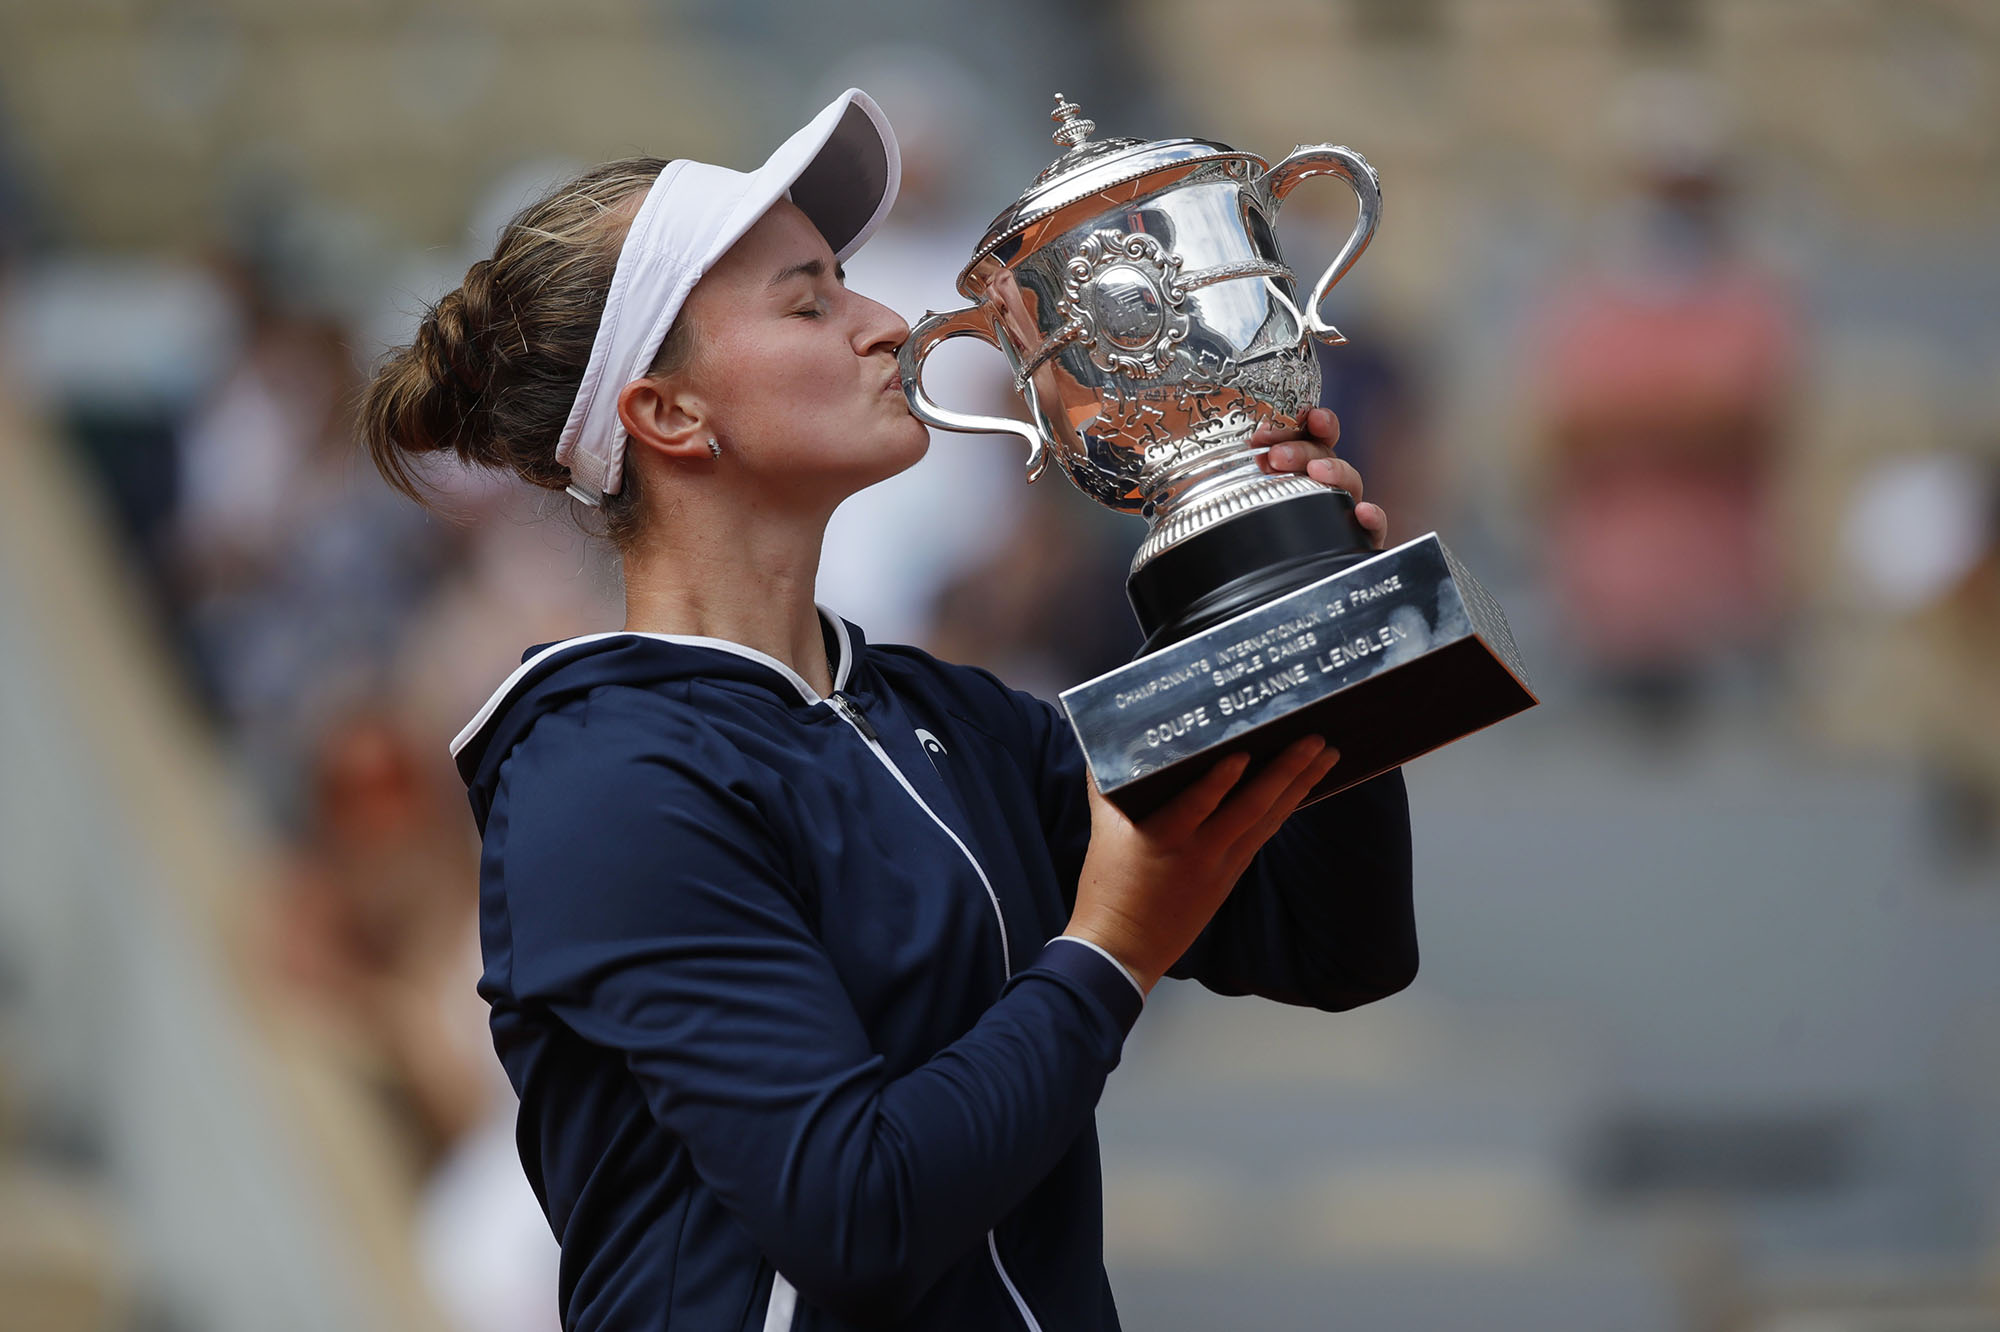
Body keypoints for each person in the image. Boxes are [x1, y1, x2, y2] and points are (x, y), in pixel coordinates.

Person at [361, 89, 1415, 1332]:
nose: (883, 324)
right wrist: (1109, 952)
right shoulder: (605, 783)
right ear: (667, 413)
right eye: (809, 301)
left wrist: (1272, 592)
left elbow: (1335, 946)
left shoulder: (946, 716)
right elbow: (852, 1216)